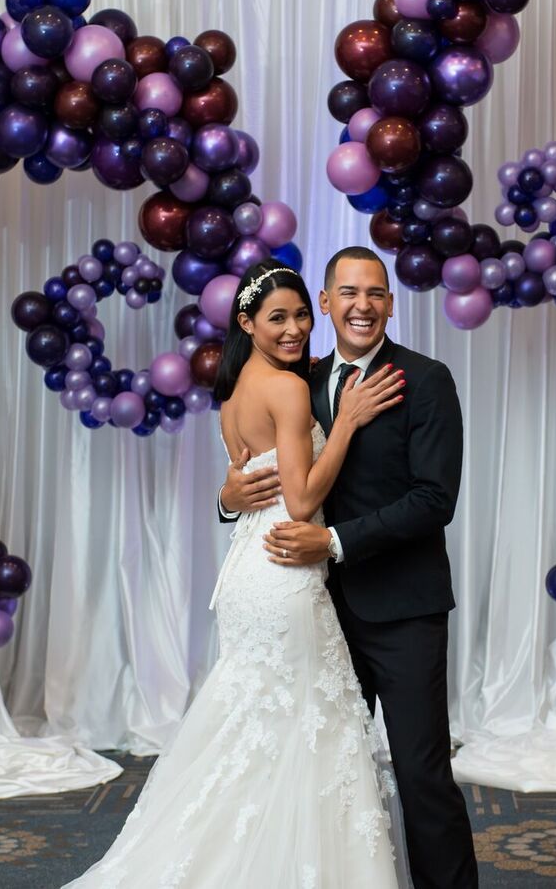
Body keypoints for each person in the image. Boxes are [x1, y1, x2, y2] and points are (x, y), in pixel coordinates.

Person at [65, 259, 409, 888]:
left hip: (252, 568)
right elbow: (302, 503)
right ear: (246, 322)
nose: (296, 328)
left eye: (303, 314)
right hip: (285, 566)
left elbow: (249, 486)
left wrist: (229, 496)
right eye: (278, 317)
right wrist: (349, 424)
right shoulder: (288, 388)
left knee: (263, 726)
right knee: (301, 726)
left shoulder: (234, 392)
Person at [221, 247, 478, 889]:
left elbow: (433, 501)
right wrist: (227, 502)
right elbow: (263, 472)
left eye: (377, 293)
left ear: (389, 304)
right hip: (316, 607)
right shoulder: (295, 380)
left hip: (403, 607)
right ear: (328, 304)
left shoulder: (425, 379)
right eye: (348, 293)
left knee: (421, 774)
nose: (363, 305)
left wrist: (334, 541)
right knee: (319, 766)